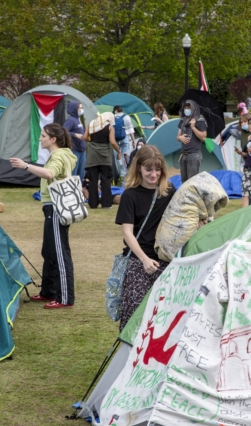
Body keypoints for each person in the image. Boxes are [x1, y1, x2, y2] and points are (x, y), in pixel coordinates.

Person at [9, 123, 77, 309]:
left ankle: (65, 298)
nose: (40, 139)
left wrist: (25, 166)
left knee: (60, 253)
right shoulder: (61, 155)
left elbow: (49, 173)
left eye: (43, 136)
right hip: (51, 207)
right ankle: (48, 291)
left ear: (53, 139)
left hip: (56, 208)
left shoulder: (59, 156)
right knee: (49, 251)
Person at [115, 145, 175, 331]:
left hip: (165, 262)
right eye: (149, 169)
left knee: (163, 317)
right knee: (134, 317)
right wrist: (144, 259)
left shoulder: (170, 191)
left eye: (158, 169)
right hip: (138, 262)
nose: (153, 174)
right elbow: (127, 233)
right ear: (139, 167)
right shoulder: (130, 195)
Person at [84, 112, 120, 208]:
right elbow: (112, 142)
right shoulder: (110, 128)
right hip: (105, 156)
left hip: (92, 156)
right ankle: (106, 204)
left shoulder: (91, 124)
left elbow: (85, 137)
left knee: (92, 181)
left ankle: (93, 203)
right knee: (105, 180)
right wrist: (119, 151)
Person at [176, 100, 207, 183]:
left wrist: (193, 127)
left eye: (188, 108)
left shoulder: (199, 120)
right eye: (185, 108)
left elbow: (203, 137)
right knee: (184, 181)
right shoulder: (183, 120)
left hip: (194, 154)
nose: (186, 110)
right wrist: (180, 138)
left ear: (193, 108)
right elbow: (177, 136)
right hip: (183, 154)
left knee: (192, 182)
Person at [63, 101, 86, 179]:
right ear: (74, 109)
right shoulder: (70, 120)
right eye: (80, 108)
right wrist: (75, 135)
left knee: (81, 172)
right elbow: (63, 132)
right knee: (74, 172)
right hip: (75, 150)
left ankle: (81, 189)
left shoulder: (78, 119)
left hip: (82, 150)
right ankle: (73, 189)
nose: (82, 110)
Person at [112, 106, 136, 179]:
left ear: (115, 110)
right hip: (124, 138)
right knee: (124, 156)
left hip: (115, 139)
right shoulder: (126, 117)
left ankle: (117, 174)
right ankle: (124, 174)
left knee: (117, 157)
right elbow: (130, 129)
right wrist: (133, 140)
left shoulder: (112, 117)